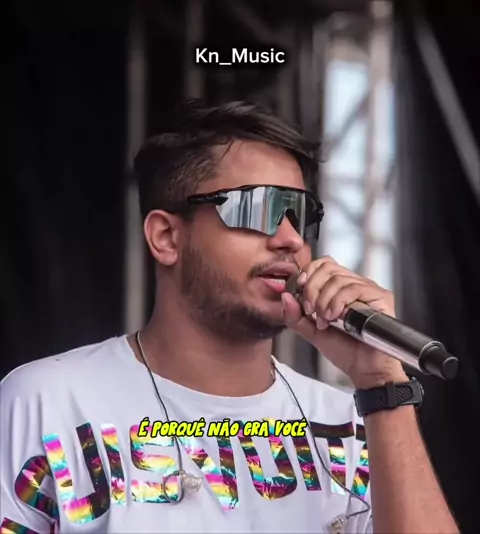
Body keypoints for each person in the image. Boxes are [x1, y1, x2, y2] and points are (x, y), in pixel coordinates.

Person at [0, 100, 458, 534]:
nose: (289, 239)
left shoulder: (353, 423)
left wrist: (381, 384)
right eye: (257, 208)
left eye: (299, 214)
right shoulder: (47, 403)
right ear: (166, 237)